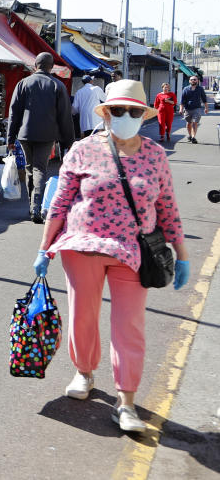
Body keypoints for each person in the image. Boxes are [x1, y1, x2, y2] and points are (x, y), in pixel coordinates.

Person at [33, 80, 189, 433]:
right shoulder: (83, 150)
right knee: (83, 316)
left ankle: (127, 401)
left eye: (133, 111)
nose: (125, 116)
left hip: (134, 252)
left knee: (129, 326)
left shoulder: (155, 155)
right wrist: (44, 247)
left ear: (142, 115)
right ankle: (84, 373)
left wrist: (181, 254)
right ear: (106, 113)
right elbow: (59, 202)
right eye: (117, 110)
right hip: (82, 246)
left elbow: (167, 208)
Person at [7, 52, 75, 223]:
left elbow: (14, 112)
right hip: (47, 134)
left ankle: (32, 206)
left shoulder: (23, 83)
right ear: (51, 67)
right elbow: (65, 117)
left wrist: (10, 138)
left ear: (35, 65)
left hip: (25, 134)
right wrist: (69, 142)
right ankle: (36, 207)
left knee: (30, 168)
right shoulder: (57, 85)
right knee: (39, 168)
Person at [179, 75, 208, 143]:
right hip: (187, 109)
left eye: (195, 79)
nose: (193, 80)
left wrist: (206, 108)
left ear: (197, 81)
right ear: (189, 81)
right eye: (192, 79)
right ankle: (190, 135)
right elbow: (182, 100)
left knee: (195, 122)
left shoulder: (200, 89)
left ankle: (193, 137)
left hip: (197, 108)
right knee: (189, 123)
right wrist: (181, 109)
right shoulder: (185, 89)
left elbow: (204, 99)